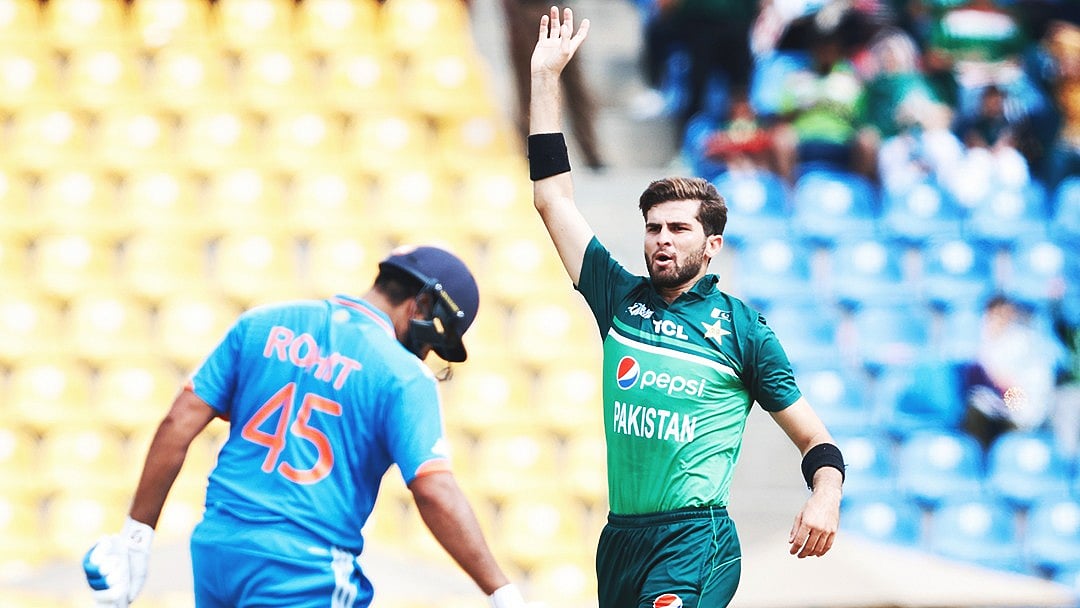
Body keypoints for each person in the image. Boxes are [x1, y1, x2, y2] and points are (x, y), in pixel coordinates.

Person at [527, 8, 844, 607]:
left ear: (712, 244)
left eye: (678, 228)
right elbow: (552, 199)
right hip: (621, 539)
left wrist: (825, 495)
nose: (662, 240)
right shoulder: (617, 297)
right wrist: (545, 81)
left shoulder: (743, 330)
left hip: (695, 540)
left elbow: (817, 441)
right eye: (653, 228)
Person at [82, 245, 530, 608]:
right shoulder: (403, 376)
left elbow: (179, 422)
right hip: (304, 569)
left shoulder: (260, 323)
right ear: (424, 303)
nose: (427, 355)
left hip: (219, 550)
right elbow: (432, 489)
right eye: (434, 340)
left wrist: (136, 537)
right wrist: (500, 590)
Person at [502, 0, 605, 170]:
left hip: (559, 12)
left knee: (577, 90)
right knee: (529, 91)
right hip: (527, 15)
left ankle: (591, 151)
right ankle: (526, 155)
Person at [960, 294, 1058, 450]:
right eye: (996, 315)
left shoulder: (1023, 343)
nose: (1000, 320)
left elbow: (1022, 395)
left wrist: (1007, 394)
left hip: (1020, 412)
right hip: (995, 409)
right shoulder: (981, 342)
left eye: (1006, 315)